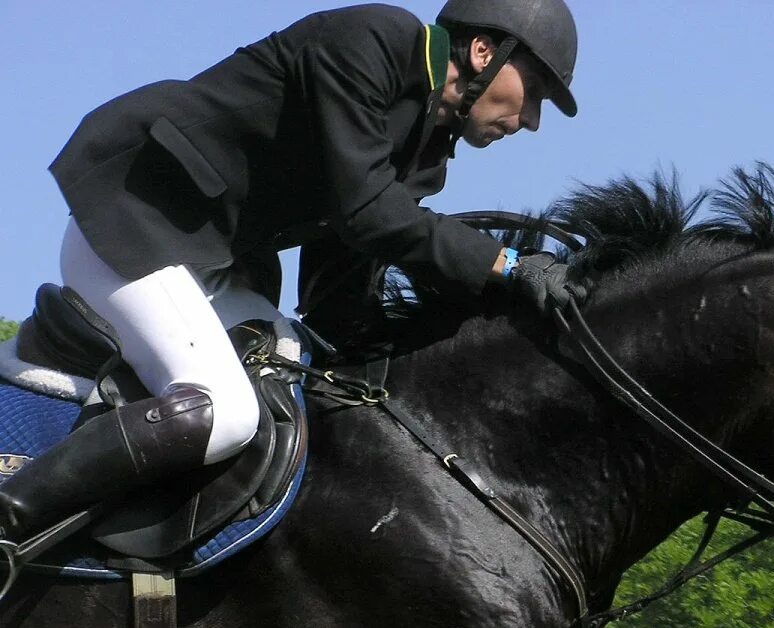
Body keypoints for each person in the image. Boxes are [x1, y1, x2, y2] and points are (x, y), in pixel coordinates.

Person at [0, 0, 585, 546]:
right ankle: (11, 519)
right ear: (484, 53)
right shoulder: (373, 42)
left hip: (206, 261)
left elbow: (338, 284)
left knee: (295, 370)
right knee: (225, 413)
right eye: (534, 91)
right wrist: (505, 264)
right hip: (132, 224)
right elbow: (368, 213)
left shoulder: (425, 151)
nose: (531, 120)